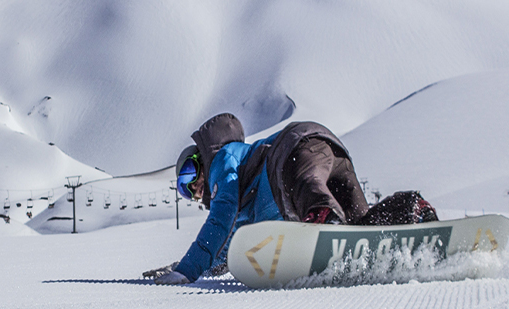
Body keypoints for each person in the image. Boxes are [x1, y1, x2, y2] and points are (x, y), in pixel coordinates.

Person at [145, 113, 437, 285]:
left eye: (190, 172)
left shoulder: (223, 159)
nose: (192, 187)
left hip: (297, 152)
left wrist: (186, 272)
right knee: (361, 228)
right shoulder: (242, 209)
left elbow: (222, 216)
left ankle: (324, 218)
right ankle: (412, 211)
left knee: (314, 197)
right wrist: (179, 267)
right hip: (335, 157)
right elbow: (225, 252)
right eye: (183, 188)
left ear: (202, 159)